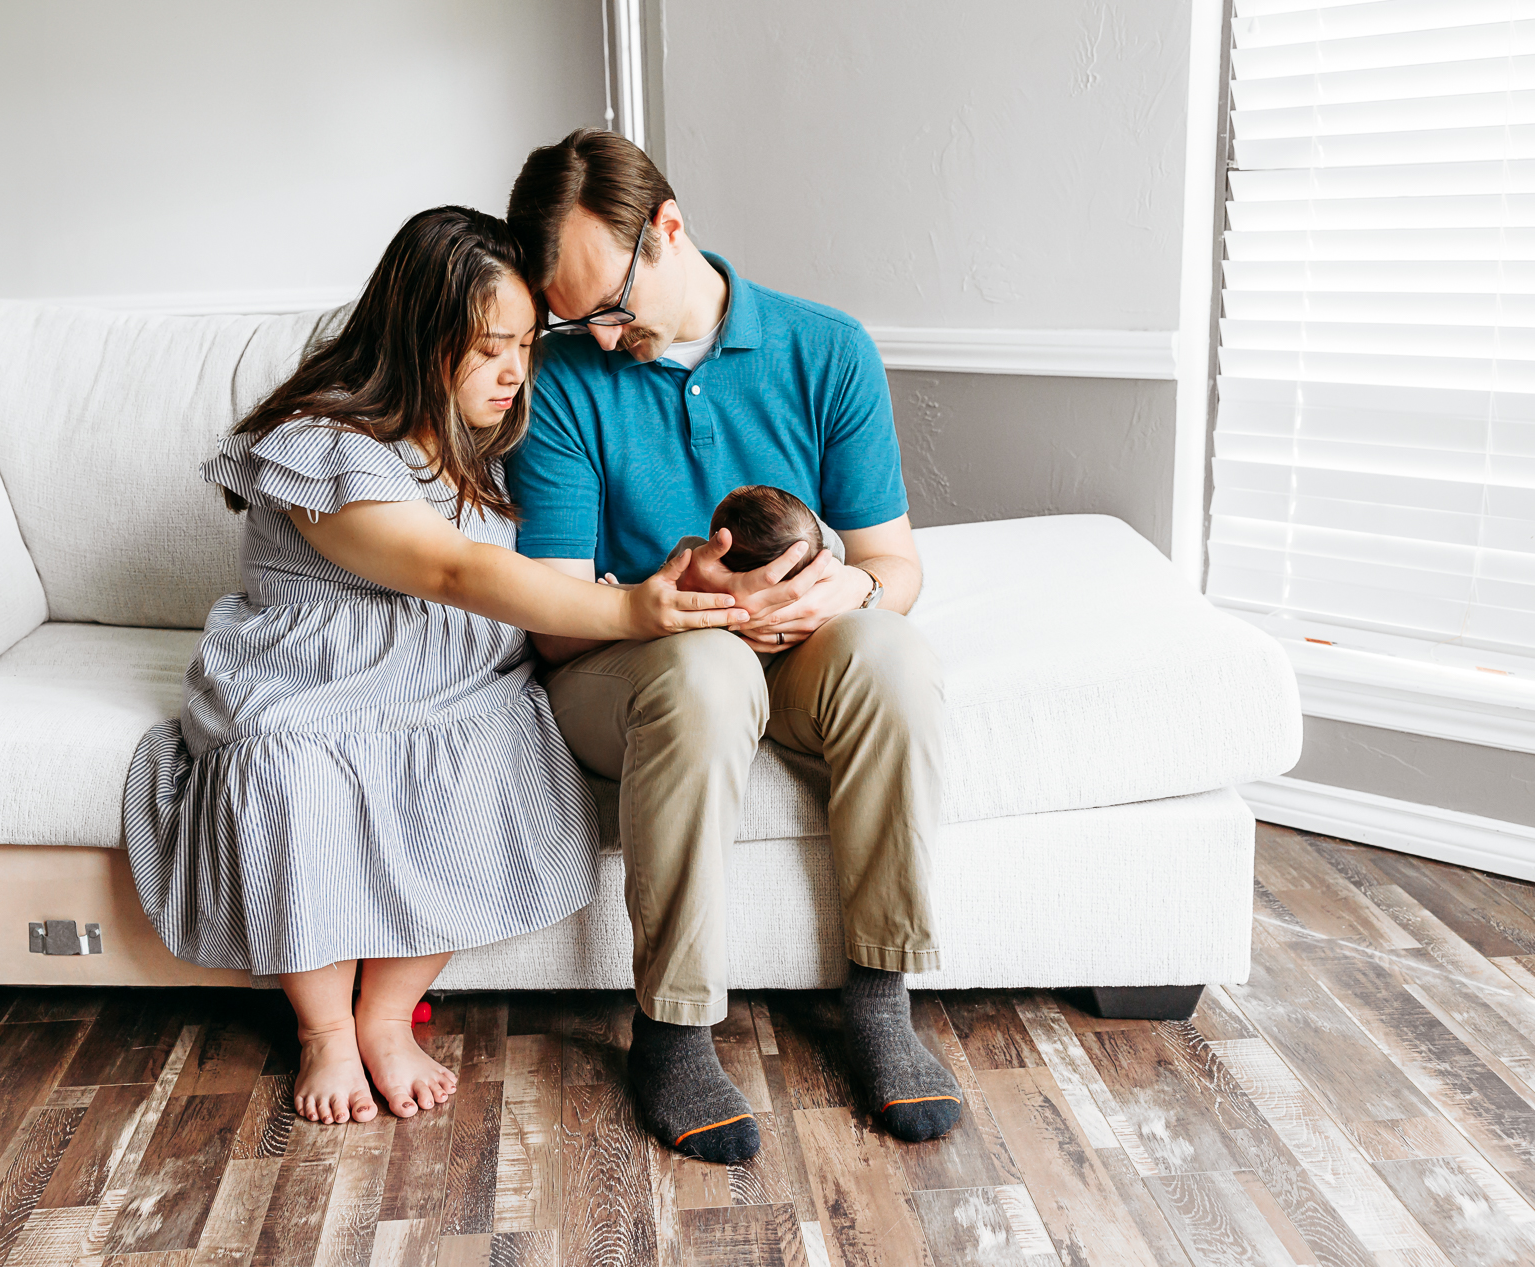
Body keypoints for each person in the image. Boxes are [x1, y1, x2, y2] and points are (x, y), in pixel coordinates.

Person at [123, 205, 746, 1128]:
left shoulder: (474, 444)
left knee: (499, 742)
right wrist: (627, 608)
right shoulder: (326, 442)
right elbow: (455, 568)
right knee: (289, 759)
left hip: (448, 682)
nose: (514, 371)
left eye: (527, 345)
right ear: (420, 336)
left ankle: (384, 1013)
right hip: (317, 672)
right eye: (490, 347)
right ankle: (325, 1029)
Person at [505, 130, 960, 1163]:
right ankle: (671, 1030)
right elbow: (555, 616)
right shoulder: (564, 380)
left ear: (668, 231)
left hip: (795, 659)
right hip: (628, 665)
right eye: (573, 315)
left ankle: (880, 999)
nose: (598, 333)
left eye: (611, 305)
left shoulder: (825, 348)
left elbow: (894, 566)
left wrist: (851, 586)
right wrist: (669, 603)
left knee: (893, 654)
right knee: (707, 671)